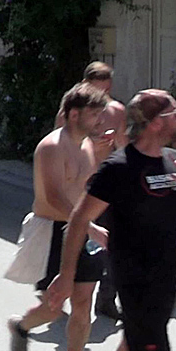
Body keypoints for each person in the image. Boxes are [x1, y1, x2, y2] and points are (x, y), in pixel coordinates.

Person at [45, 89, 176, 351]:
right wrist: (67, 274)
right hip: (132, 277)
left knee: (134, 346)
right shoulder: (118, 168)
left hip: (167, 274)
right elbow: (80, 219)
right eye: (174, 115)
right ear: (156, 122)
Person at [7, 83, 110, 351]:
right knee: (53, 308)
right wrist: (90, 228)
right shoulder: (51, 147)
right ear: (74, 115)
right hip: (54, 231)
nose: (100, 121)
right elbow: (53, 196)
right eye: (94, 115)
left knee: (83, 303)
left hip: (83, 230)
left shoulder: (88, 145)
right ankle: (22, 326)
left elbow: (86, 188)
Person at [55, 61, 130, 319]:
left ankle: (106, 298)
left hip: (110, 185)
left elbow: (124, 148)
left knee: (114, 242)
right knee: (76, 239)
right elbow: (58, 144)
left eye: (106, 91)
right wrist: (89, 145)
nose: (102, 99)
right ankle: (61, 289)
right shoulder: (70, 113)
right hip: (80, 185)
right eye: (97, 91)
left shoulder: (117, 111)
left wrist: (116, 142)